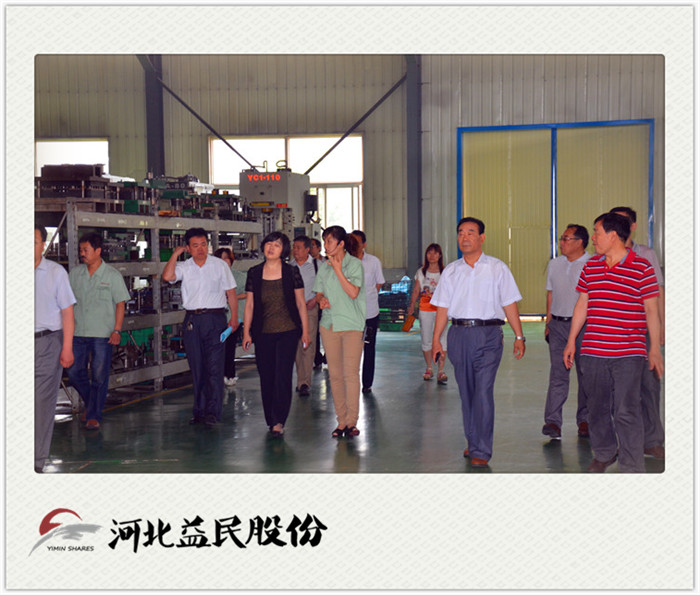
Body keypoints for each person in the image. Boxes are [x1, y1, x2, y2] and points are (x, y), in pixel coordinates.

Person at [563, 212, 663, 473]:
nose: (593, 238)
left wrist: (654, 348)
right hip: (593, 351)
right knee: (596, 409)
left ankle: (631, 465)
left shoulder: (642, 267)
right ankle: (605, 453)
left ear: (613, 235)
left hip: (628, 353)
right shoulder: (591, 266)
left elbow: (651, 310)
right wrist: (571, 341)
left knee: (626, 410)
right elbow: (582, 304)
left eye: (597, 233)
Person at [430, 217, 525, 468]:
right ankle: (472, 441)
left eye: (471, 232)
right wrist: (436, 340)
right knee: (467, 392)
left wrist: (519, 336)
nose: (465, 237)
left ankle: (481, 449)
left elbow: (509, 303)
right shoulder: (451, 271)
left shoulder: (497, 268)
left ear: (482, 238)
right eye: (461, 233)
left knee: (482, 391)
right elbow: (442, 308)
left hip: (488, 335)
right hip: (459, 334)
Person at [162, 228, 238, 428]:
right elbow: (167, 276)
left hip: (216, 319)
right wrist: (175, 255)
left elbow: (231, 292)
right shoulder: (184, 267)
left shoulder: (219, 265)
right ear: (188, 248)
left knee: (214, 367)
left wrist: (234, 318)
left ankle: (213, 413)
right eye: (195, 246)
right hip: (192, 321)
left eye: (203, 244)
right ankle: (199, 412)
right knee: (197, 367)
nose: (201, 249)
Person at [609, 206, 665, 460]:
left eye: (623, 222)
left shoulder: (647, 255)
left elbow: (657, 291)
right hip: (614, 332)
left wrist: (661, 327)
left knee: (650, 385)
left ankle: (652, 441)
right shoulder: (602, 256)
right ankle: (624, 442)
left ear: (633, 226)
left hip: (642, 329)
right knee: (619, 390)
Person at [242, 232, 309, 437]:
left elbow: (300, 303)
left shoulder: (291, 272)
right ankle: (270, 419)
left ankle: (279, 420)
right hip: (263, 333)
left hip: (288, 331)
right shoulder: (254, 272)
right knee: (267, 376)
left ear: (284, 250)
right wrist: (246, 332)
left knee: (282, 375)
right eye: (269, 243)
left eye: (277, 245)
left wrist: (305, 331)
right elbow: (250, 305)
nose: (271, 247)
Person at [67, 232, 130, 430]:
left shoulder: (112, 275)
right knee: (73, 372)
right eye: (81, 250)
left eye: (86, 250)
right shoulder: (75, 274)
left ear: (98, 251)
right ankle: (91, 403)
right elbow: (66, 303)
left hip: (102, 334)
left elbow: (120, 304)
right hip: (78, 332)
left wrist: (117, 330)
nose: (82, 253)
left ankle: (94, 415)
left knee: (99, 375)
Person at [313, 226, 366, 438]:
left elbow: (353, 292)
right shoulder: (323, 268)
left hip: (352, 325)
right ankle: (341, 421)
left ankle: (352, 421)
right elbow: (318, 293)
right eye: (324, 241)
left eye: (329, 241)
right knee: (335, 375)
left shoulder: (355, 265)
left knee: (350, 374)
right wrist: (321, 300)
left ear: (341, 244)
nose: (325, 246)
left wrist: (337, 269)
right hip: (330, 325)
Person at [542, 224, 591, 439]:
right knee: (558, 374)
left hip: (585, 327)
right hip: (558, 326)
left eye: (566, 239)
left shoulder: (592, 264)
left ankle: (585, 420)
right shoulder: (554, 264)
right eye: (561, 238)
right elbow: (550, 294)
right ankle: (553, 422)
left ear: (580, 242)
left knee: (585, 374)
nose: (561, 242)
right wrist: (548, 322)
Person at [35, 225, 76, 472]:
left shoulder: (55, 272)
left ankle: (36, 461)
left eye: (34, 241)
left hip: (47, 343)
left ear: (43, 244)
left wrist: (67, 347)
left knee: (42, 404)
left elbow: (67, 311)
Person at [351, 230, 385, 394]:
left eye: (357, 242)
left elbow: (379, 283)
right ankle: (351, 381)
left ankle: (367, 383)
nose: (354, 245)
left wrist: (369, 295)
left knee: (369, 347)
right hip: (350, 314)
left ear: (364, 244)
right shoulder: (345, 262)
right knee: (351, 349)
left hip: (370, 313)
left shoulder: (373, 262)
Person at [408, 243, 448, 384]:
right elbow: (416, 290)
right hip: (425, 310)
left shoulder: (445, 272)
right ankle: (429, 368)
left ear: (440, 255)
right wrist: (412, 305)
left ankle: (441, 371)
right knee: (426, 339)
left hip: (441, 310)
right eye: (429, 252)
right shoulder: (421, 272)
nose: (432, 256)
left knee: (442, 339)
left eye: (435, 253)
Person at [213, 248, 247, 386]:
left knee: (229, 347)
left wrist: (233, 297)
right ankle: (218, 375)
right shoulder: (212, 277)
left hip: (233, 317)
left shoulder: (239, 276)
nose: (224, 261)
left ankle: (229, 374)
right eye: (220, 258)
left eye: (226, 258)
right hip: (216, 318)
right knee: (217, 348)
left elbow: (248, 293)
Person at [291, 235, 320, 396]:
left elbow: (326, 286)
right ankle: (300, 379)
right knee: (296, 346)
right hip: (292, 311)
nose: (295, 250)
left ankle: (304, 383)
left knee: (307, 344)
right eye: (294, 247)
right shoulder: (289, 267)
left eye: (299, 247)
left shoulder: (318, 265)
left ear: (307, 249)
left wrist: (315, 299)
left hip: (309, 309)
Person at [309, 237, 326, 369]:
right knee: (314, 332)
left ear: (319, 248)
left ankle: (328, 355)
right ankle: (316, 358)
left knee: (326, 329)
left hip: (325, 301)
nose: (310, 248)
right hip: (311, 302)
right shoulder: (306, 264)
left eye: (313, 246)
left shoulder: (326, 263)